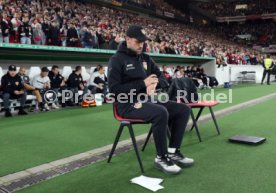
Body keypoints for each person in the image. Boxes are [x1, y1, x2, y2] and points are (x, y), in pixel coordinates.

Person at [108, 25, 194, 175]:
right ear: (128, 39)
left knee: (183, 109)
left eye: (143, 41)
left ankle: (173, 151)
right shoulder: (116, 60)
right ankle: (161, 158)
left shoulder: (145, 57)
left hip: (147, 100)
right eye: (138, 41)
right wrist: (142, 83)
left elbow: (163, 77)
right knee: (160, 112)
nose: (141, 45)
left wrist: (155, 83)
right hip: (126, 104)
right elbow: (114, 90)